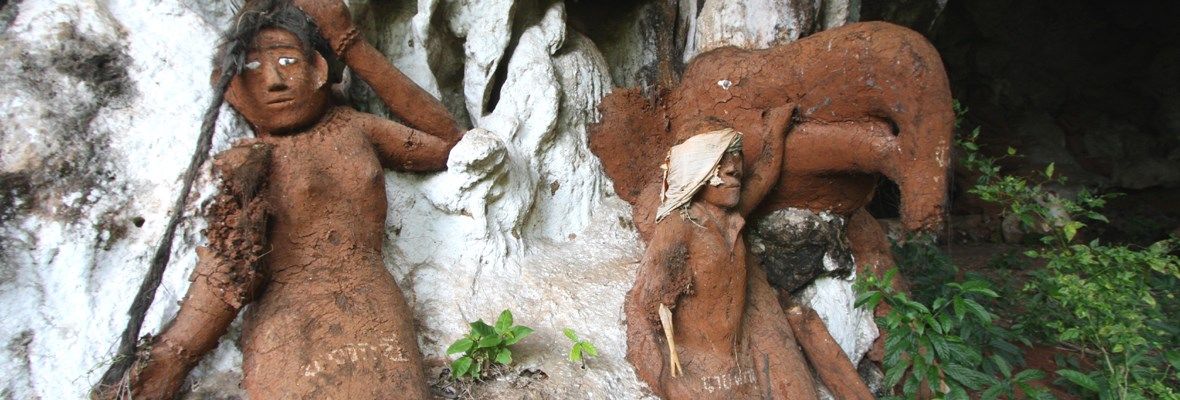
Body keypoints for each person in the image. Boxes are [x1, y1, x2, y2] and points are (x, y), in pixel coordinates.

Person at [95, 1, 462, 398]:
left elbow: (446, 142)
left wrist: (350, 43)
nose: (273, 81)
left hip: (375, 309)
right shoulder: (253, 161)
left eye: (287, 61)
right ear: (230, 87)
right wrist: (174, 355)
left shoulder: (355, 128)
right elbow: (228, 272)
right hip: (292, 324)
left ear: (319, 69)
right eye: (252, 68)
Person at [623, 105, 821, 399]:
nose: (734, 168)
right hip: (699, 376)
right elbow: (645, 308)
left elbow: (764, 176)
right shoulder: (680, 226)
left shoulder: (732, 215)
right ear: (693, 172)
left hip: (741, 370)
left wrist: (775, 133)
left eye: (736, 159)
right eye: (720, 160)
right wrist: (668, 379)